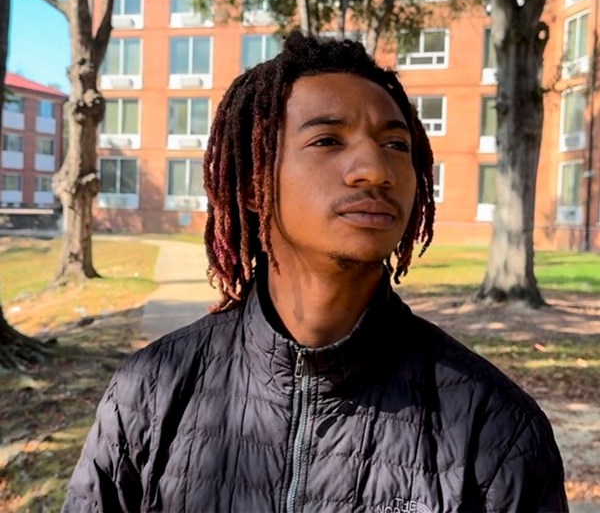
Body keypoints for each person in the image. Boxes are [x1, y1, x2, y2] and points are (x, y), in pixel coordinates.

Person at [63, 32, 567, 512]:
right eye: (328, 140)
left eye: (396, 145)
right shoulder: (149, 392)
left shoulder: (495, 425)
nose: (375, 168)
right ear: (254, 183)